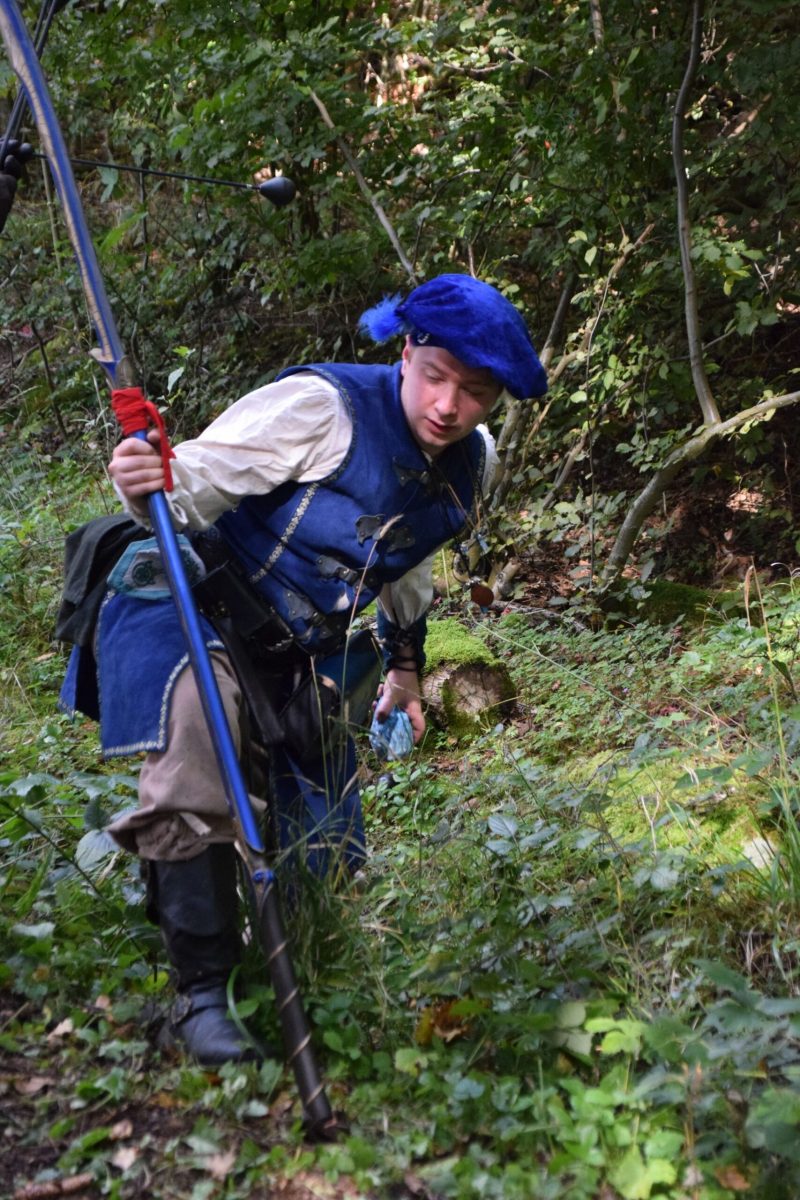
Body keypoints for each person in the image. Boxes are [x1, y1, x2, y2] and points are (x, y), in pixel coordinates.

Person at [58, 272, 548, 1066]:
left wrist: (405, 670)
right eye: (435, 376)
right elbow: (186, 488)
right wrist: (146, 476)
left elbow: (406, 565)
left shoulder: (473, 461)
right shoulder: (321, 409)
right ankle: (200, 997)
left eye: (475, 392)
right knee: (198, 734)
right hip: (193, 599)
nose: (448, 406)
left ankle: (266, 940)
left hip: (298, 651)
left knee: (322, 867)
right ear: (406, 353)